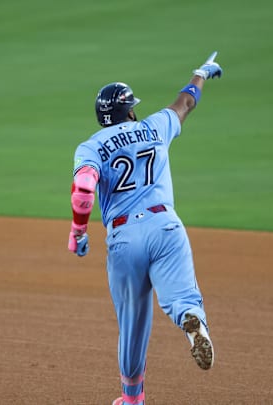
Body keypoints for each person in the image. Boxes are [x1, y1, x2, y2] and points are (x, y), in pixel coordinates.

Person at [67, 52, 223, 405]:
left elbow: (83, 193)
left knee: (133, 325)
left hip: (124, 239)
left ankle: (133, 399)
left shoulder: (90, 147)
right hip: (166, 225)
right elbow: (185, 103)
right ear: (130, 111)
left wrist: (78, 232)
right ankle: (193, 321)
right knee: (182, 296)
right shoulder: (154, 126)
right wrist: (199, 74)